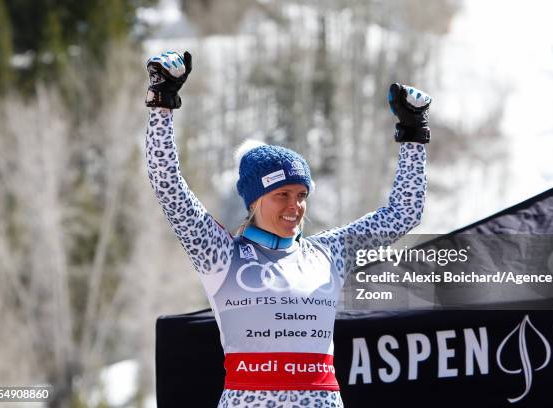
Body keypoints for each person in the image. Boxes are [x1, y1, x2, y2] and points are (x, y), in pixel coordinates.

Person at [145, 51, 430, 408]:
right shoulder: (219, 254)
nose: (294, 206)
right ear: (254, 201)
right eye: (281, 195)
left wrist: (413, 133)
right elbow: (167, 185)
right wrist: (162, 101)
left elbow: (404, 213)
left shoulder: (330, 252)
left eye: (301, 195)